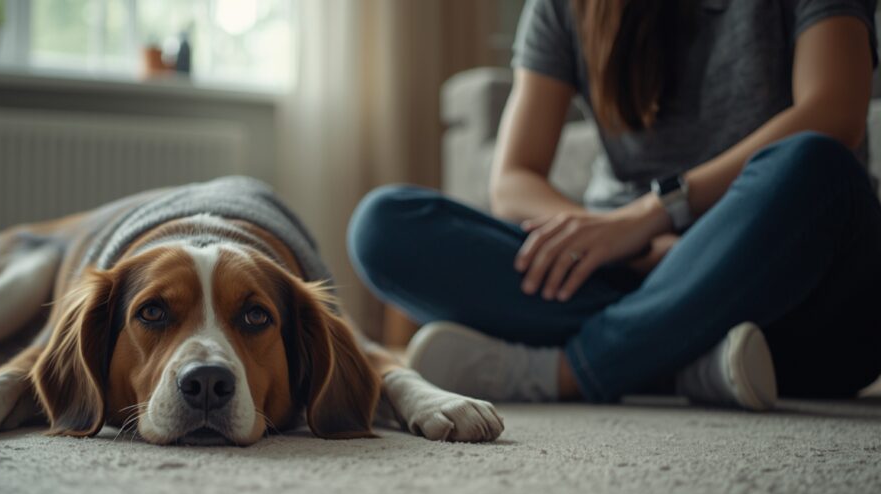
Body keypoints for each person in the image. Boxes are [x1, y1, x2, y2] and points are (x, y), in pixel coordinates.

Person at [347, 0, 881, 410]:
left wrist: (649, 215)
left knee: (816, 163)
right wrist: (631, 246)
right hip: (633, 269)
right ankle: (682, 359)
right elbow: (512, 181)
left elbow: (834, 110)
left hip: (791, 294)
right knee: (384, 224)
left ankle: (567, 371)